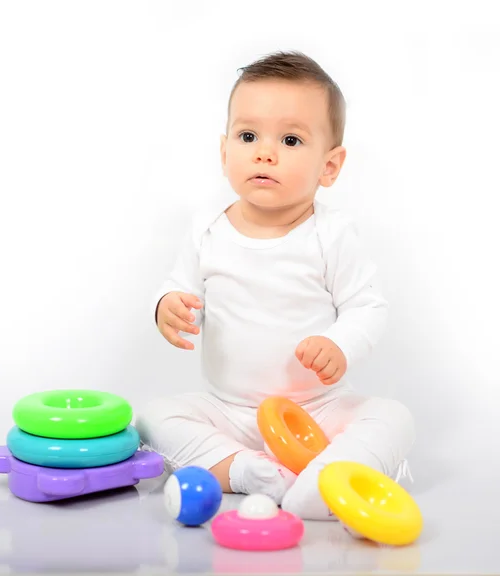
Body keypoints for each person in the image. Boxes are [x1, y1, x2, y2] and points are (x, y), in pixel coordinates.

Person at [135, 50, 415, 520]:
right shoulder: (207, 230)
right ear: (225, 153)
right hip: (229, 411)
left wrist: (337, 343)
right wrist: (168, 305)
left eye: (290, 139)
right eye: (248, 136)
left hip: (318, 410)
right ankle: (246, 470)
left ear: (329, 166)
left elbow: (367, 307)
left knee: (394, 418)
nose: (265, 152)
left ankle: (331, 477)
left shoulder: (331, 234)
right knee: (153, 417)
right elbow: (178, 285)